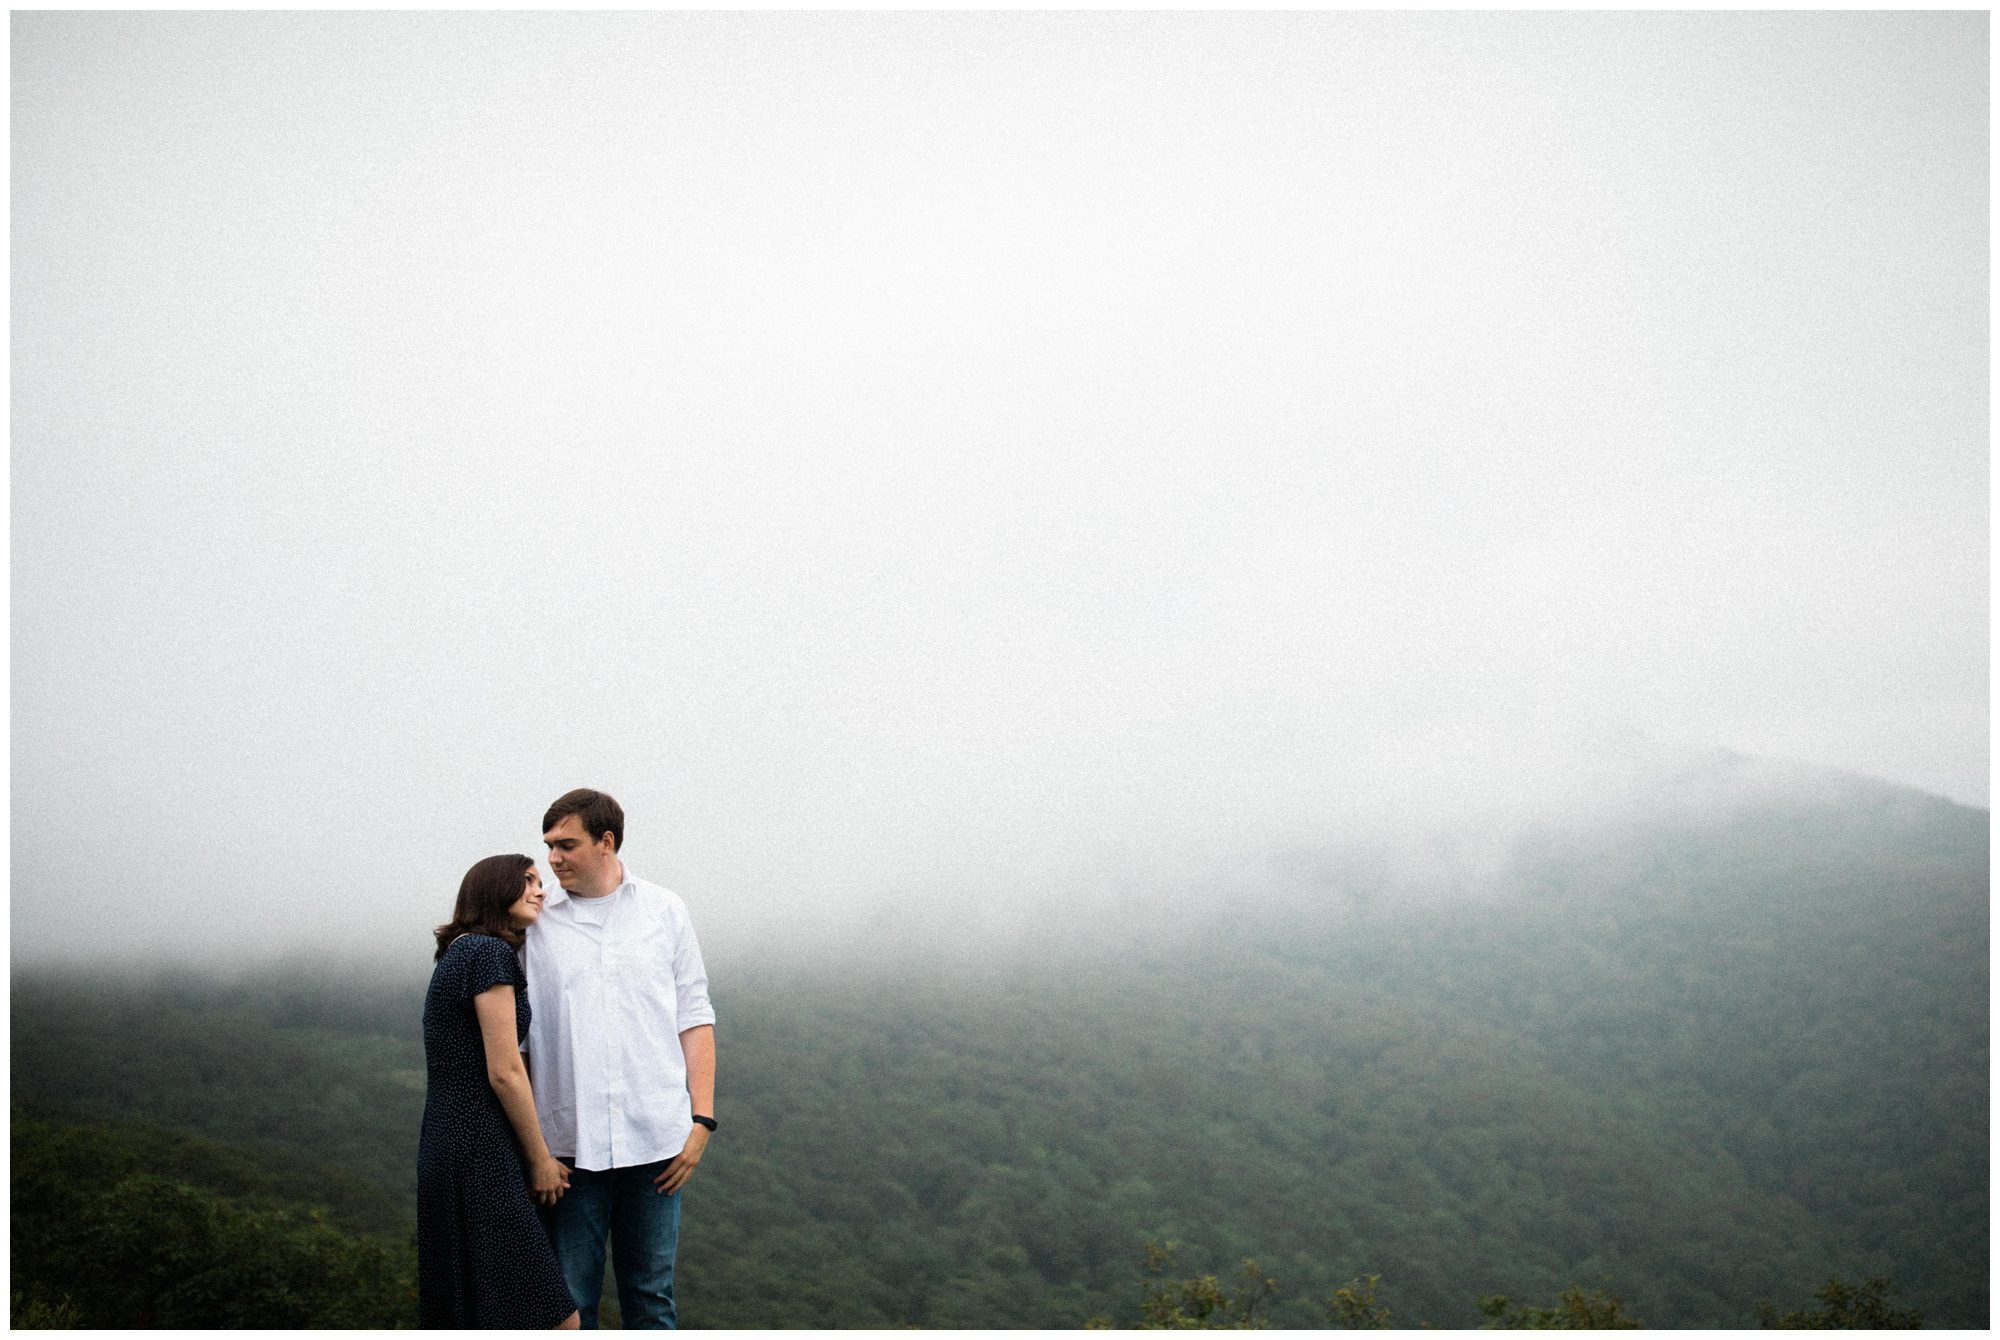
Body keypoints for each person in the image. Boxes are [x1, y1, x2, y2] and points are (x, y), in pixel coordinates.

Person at [524, 788, 716, 1330]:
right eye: (549, 846)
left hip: (656, 1144)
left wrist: (702, 1120)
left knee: (651, 1298)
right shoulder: (536, 927)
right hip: (567, 1151)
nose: (553, 859)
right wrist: (533, 1150)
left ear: (606, 843)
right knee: (568, 1303)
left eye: (566, 844)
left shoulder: (665, 910)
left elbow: (695, 1015)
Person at [417, 854, 582, 1330]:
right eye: (527, 881)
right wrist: (540, 1159)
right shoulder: (486, 955)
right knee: (556, 1320)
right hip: (479, 1148)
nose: (540, 890)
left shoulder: (461, 953)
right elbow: (505, 1070)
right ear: (495, 891)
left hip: (451, 1142)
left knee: (480, 1308)